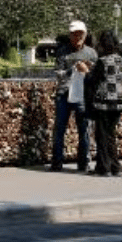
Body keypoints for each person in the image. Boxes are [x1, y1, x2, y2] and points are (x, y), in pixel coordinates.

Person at [50, 20, 97, 172]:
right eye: (74, 34)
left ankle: (83, 163)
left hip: (83, 95)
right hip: (64, 94)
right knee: (59, 129)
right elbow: (58, 74)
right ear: (70, 35)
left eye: (80, 34)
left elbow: (96, 76)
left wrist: (88, 70)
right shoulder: (62, 51)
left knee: (84, 130)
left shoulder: (91, 53)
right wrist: (73, 69)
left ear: (85, 35)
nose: (77, 37)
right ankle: (57, 162)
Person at [85, 30, 122, 178]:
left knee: (101, 135)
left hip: (103, 102)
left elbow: (93, 80)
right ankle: (116, 167)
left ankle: (103, 167)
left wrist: (87, 71)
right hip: (118, 102)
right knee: (111, 135)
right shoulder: (120, 60)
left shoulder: (102, 61)